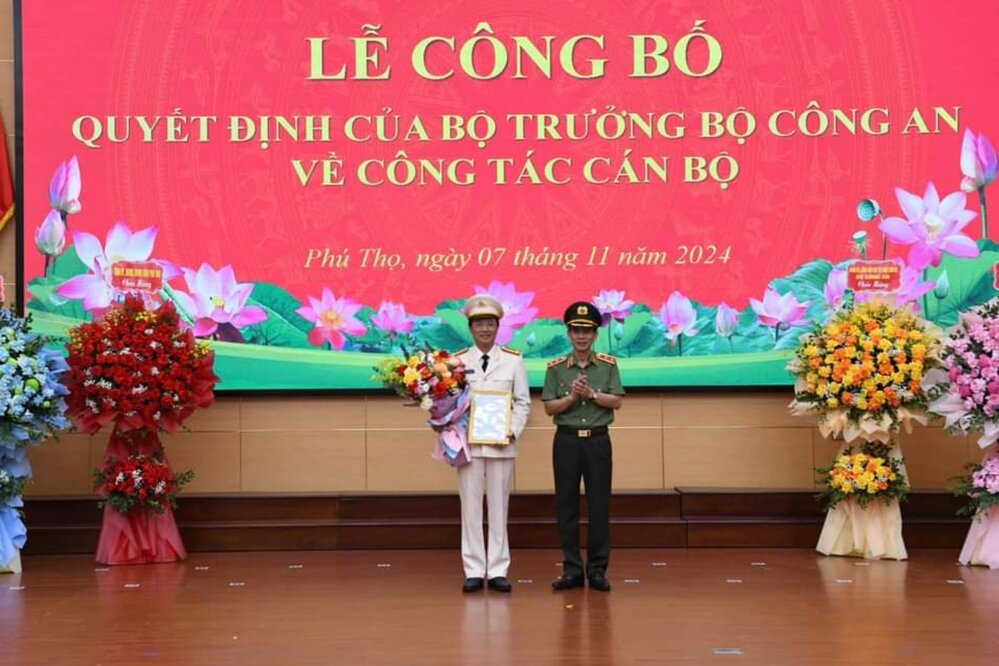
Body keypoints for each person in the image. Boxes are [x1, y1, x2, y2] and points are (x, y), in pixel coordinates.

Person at [542, 301, 624, 592]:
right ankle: (572, 569)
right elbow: (550, 408)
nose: (581, 336)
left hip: (598, 441)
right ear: (568, 333)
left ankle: (598, 570)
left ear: (595, 334)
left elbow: (616, 400)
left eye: (587, 331)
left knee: (599, 506)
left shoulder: (608, 365)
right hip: (566, 441)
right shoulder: (555, 369)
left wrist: (590, 393)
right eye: (576, 330)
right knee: (566, 507)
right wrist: (571, 399)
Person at [454, 294, 531, 593]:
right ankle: (473, 569)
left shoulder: (513, 360)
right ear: (471, 328)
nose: (485, 329)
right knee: (470, 509)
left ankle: (498, 569)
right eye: (479, 324)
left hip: (501, 445)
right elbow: (450, 403)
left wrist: (510, 430)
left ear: (498, 327)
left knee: (499, 509)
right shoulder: (459, 360)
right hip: (469, 446)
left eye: (490, 324)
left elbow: (523, 402)